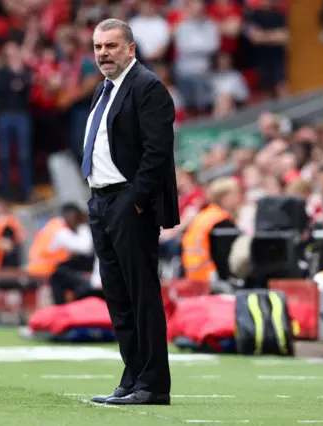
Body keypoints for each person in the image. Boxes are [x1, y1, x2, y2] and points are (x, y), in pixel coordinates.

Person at [83, 19, 179, 406]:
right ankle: (132, 375)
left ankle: (153, 384)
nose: (103, 53)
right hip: (102, 201)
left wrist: (136, 201)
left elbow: (158, 152)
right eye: (98, 47)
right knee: (119, 297)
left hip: (127, 201)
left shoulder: (147, 87)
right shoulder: (103, 91)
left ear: (131, 49)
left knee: (141, 295)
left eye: (111, 46)